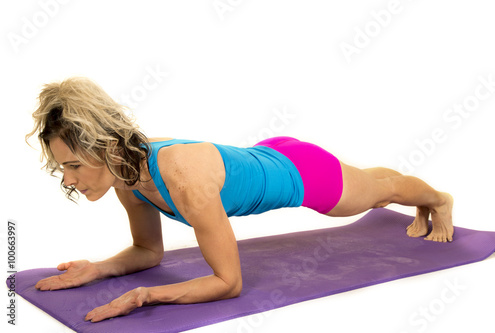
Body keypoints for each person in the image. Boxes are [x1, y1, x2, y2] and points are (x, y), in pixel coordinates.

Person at [27, 77, 454, 323]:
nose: (68, 179)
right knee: (369, 182)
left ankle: (438, 199)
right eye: (62, 167)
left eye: (74, 165)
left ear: (104, 147)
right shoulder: (127, 174)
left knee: (383, 193)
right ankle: (392, 187)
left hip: (305, 176)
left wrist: (148, 296)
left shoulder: (181, 177)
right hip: (270, 154)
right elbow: (147, 250)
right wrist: (97, 269)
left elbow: (229, 283)